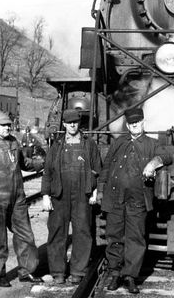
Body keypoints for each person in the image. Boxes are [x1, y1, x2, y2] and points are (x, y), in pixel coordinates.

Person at [97, 107, 172, 294]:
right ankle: (115, 274)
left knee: (135, 238)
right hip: (115, 198)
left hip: (137, 199)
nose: (134, 126)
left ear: (143, 123)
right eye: (131, 124)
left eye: (137, 123)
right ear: (128, 125)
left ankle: (130, 276)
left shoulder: (151, 143)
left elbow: (169, 155)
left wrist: (154, 163)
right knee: (114, 236)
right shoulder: (118, 143)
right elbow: (106, 167)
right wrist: (99, 190)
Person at [0, 111, 44, 288]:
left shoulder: (14, 141)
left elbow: (23, 163)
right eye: (3, 125)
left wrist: (42, 163)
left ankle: (26, 271)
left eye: (8, 125)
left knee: (25, 235)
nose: (7, 128)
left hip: (17, 198)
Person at [41, 109, 102, 285]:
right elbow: (47, 173)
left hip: (82, 195)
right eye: (69, 123)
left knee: (82, 232)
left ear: (79, 124)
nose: (72, 125)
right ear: (64, 125)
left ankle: (78, 271)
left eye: (75, 122)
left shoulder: (89, 144)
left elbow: (98, 170)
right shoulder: (57, 145)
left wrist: (95, 191)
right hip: (59, 194)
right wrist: (45, 195)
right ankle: (58, 272)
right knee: (57, 233)